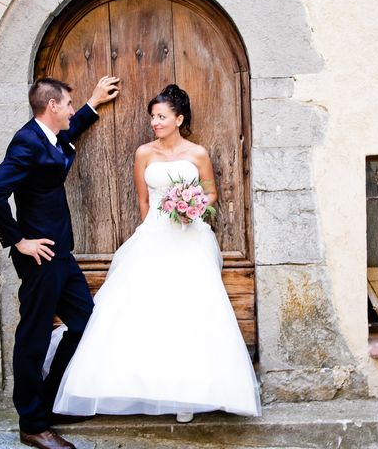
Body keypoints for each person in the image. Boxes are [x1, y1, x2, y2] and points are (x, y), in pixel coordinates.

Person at [51, 84, 261, 423]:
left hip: (191, 238)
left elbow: (211, 193)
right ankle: (137, 386)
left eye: (161, 117)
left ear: (179, 119)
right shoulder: (143, 153)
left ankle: (189, 395)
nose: (155, 122)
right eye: (153, 116)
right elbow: (145, 202)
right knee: (147, 308)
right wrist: (154, 228)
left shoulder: (198, 154)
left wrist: (192, 206)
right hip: (154, 236)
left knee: (190, 311)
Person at [0, 76, 120, 449]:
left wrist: (91, 104)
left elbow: (67, 132)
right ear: (52, 106)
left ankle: (50, 399)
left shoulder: (49, 134)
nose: (71, 110)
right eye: (69, 104)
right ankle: (32, 424)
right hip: (40, 258)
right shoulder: (27, 142)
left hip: (62, 254)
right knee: (34, 337)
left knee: (84, 323)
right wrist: (19, 241)